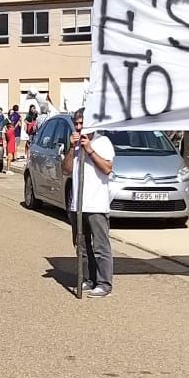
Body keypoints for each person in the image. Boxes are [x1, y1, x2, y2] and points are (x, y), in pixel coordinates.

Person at [63, 110, 116, 298]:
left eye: (81, 123)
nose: (78, 128)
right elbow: (66, 170)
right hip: (78, 205)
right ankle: (88, 278)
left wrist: (89, 150)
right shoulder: (75, 146)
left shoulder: (103, 142)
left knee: (100, 247)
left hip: (96, 205)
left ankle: (104, 283)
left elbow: (107, 168)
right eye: (76, 124)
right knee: (82, 246)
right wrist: (71, 148)